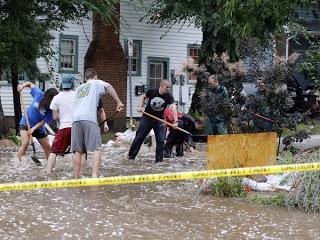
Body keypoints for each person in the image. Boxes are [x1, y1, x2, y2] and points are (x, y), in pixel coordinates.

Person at [71, 68, 124, 178]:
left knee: (77, 150)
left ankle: (75, 177)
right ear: (95, 77)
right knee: (96, 148)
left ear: (85, 78)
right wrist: (118, 102)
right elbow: (108, 86)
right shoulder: (96, 82)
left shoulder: (79, 88)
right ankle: (94, 176)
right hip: (89, 118)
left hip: (76, 120)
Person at [128, 79, 178, 163]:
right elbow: (143, 96)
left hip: (159, 120)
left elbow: (173, 108)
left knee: (161, 140)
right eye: (167, 87)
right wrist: (140, 106)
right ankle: (130, 157)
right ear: (161, 86)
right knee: (139, 138)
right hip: (147, 118)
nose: (168, 89)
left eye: (169, 88)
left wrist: (175, 121)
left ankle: (159, 162)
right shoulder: (152, 91)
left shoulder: (169, 96)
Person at [16, 82, 58, 164]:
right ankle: (16, 164)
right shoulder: (39, 94)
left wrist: (33, 129)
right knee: (25, 144)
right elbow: (29, 84)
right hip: (26, 123)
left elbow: (43, 122)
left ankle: (50, 167)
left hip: (38, 127)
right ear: (47, 97)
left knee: (48, 147)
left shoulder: (52, 109)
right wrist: (22, 86)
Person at [46, 75, 76, 174]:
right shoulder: (77, 95)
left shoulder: (57, 97)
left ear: (62, 85)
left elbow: (54, 117)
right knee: (78, 152)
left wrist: (62, 115)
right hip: (77, 127)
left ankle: (48, 173)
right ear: (72, 84)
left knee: (54, 152)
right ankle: (78, 175)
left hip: (64, 127)